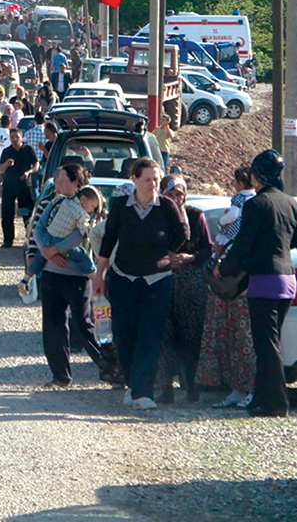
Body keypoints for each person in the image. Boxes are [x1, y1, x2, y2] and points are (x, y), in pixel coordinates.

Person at [93, 158, 188, 410]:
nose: (152, 184)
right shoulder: (121, 206)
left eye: (156, 179)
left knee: (150, 335)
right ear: (134, 179)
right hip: (124, 278)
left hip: (157, 280)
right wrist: (99, 275)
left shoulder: (167, 207)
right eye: (147, 179)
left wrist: (167, 253)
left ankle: (142, 392)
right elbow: (109, 239)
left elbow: (182, 234)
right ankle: (134, 384)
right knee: (125, 336)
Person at [218, 149, 297, 417]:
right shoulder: (290, 202)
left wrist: (225, 268)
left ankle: (276, 403)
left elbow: (243, 244)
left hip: (264, 281)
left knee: (266, 346)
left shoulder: (255, 205)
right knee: (272, 342)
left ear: (257, 177)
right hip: (288, 279)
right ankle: (260, 399)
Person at [31, 163, 122, 387]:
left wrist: (56, 250)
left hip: (77, 276)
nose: (58, 184)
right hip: (51, 273)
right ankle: (60, 375)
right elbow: (38, 228)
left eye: (62, 180)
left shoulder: (89, 205)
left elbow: (80, 236)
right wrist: (45, 251)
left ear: (76, 181)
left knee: (84, 324)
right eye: (57, 179)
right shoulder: (54, 202)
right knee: (53, 325)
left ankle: (109, 366)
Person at [196, 166, 258, 409]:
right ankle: (236, 388)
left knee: (244, 341)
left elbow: (230, 218)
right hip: (227, 287)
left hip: (240, 283)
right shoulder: (253, 203)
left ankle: (250, 388)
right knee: (231, 340)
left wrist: (222, 220)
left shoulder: (244, 203)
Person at [155, 175, 212, 404]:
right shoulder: (155, 215)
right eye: (172, 193)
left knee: (191, 336)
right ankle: (165, 388)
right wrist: (166, 257)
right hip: (162, 279)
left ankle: (191, 387)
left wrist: (189, 257)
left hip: (191, 282)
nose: (177, 198)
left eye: (180, 194)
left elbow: (207, 250)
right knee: (164, 336)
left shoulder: (196, 216)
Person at [19, 183, 102, 295]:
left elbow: (39, 227)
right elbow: (84, 232)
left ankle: (26, 279)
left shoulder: (63, 202)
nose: (92, 210)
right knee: (81, 256)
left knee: (39, 258)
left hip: (48, 237)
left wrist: (46, 250)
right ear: (83, 199)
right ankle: (93, 275)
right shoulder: (80, 213)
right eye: (92, 206)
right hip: (61, 241)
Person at [0, 128, 38, 248]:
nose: (14, 139)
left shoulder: (28, 149)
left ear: (21, 137)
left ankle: (30, 238)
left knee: (27, 212)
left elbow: (36, 164)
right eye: (12, 137)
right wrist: (6, 164)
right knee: (7, 213)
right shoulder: (6, 152)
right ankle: (8, 240)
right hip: (9, 185)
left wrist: (29, 172)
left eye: (17, 137)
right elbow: (0, 170)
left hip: (24, 185)